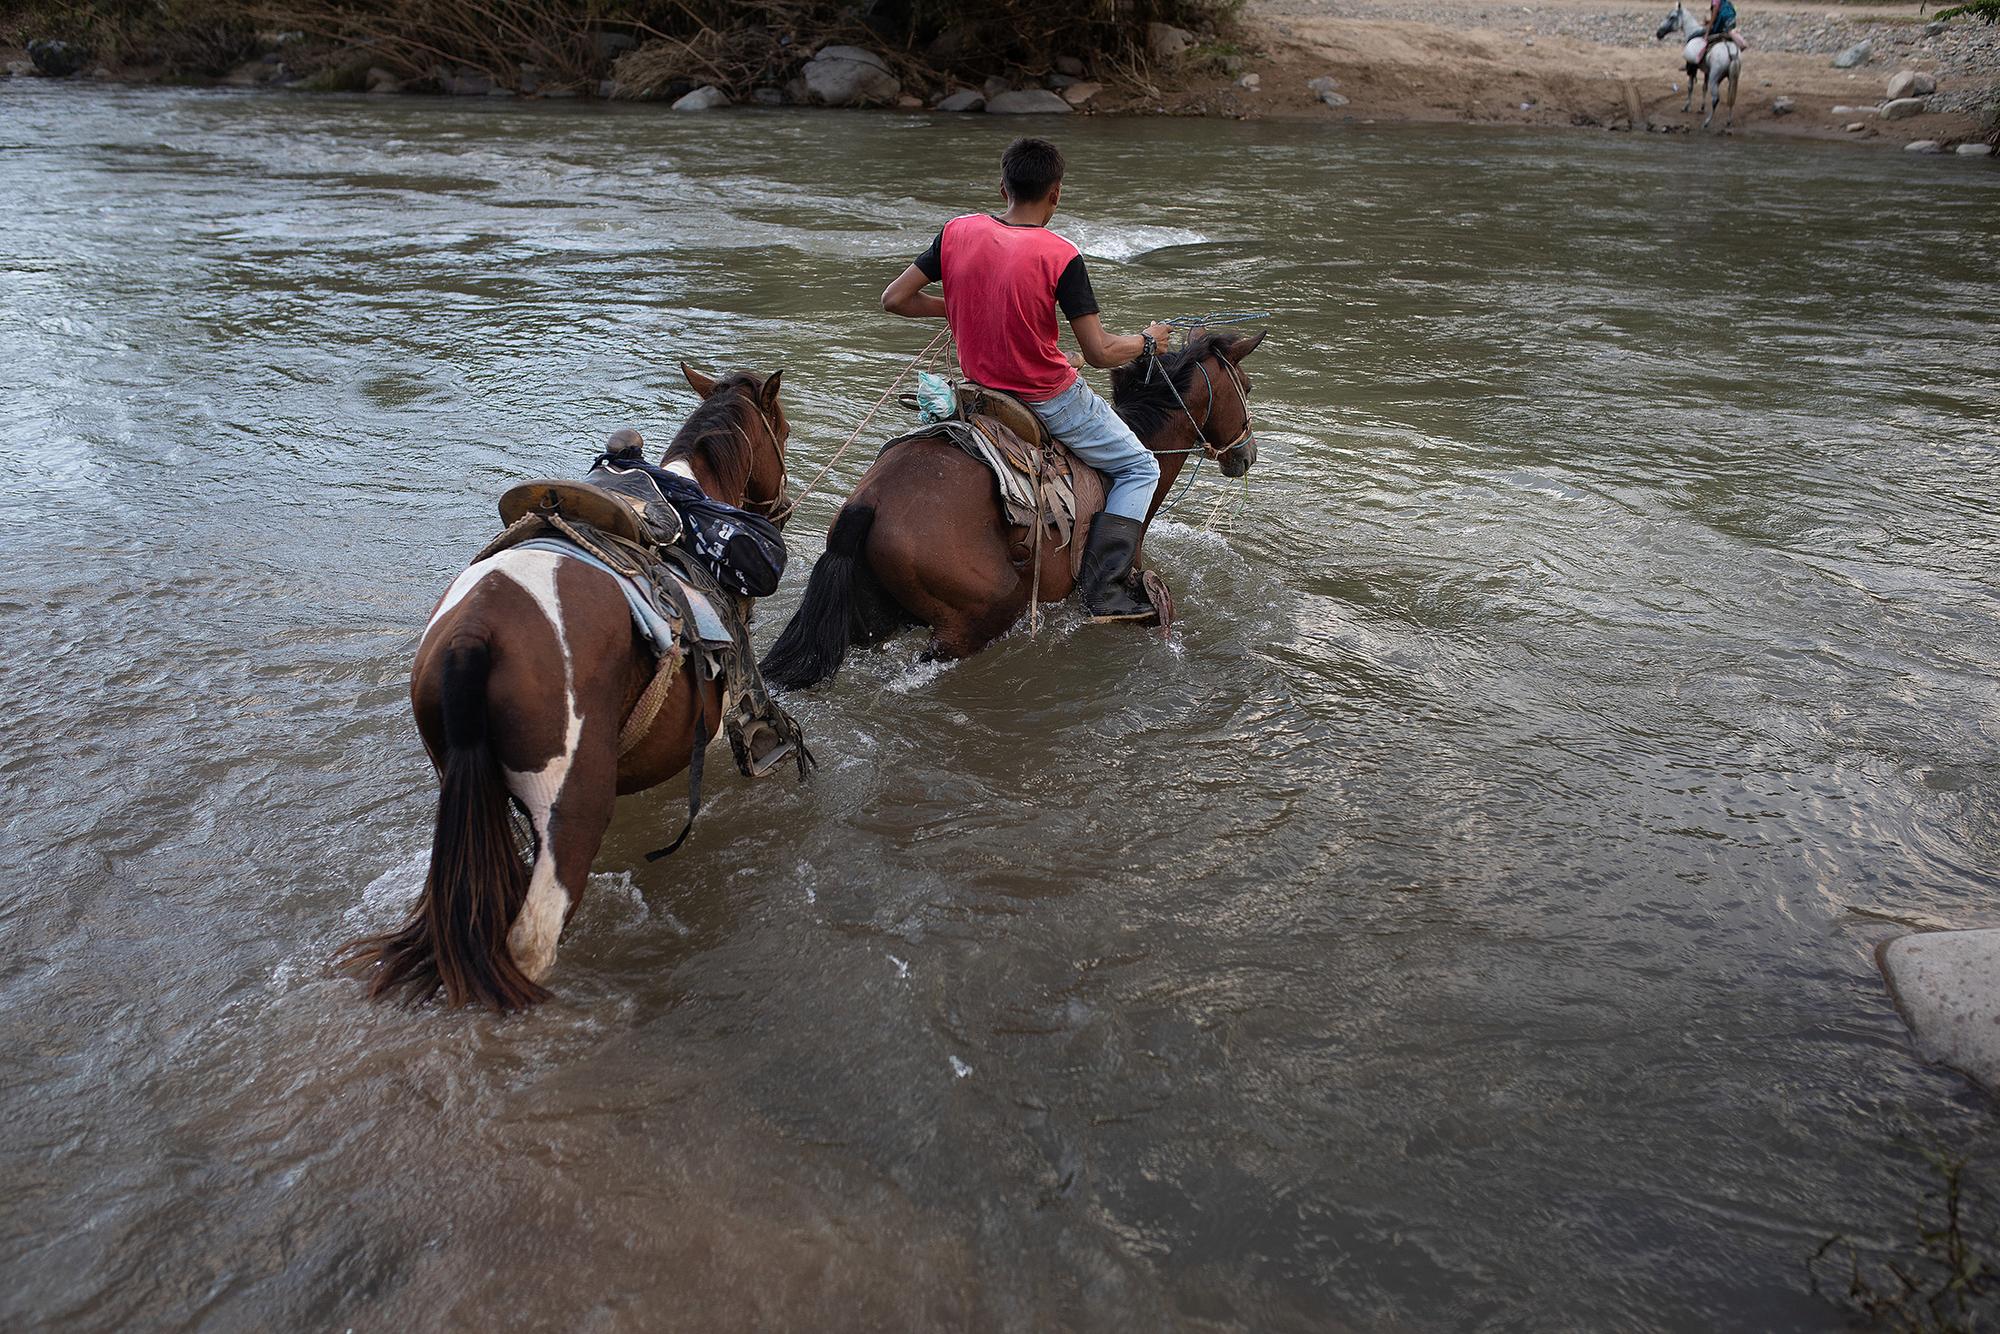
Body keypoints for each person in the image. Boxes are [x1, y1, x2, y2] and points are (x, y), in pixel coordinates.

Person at [879, 137, 1174, 623]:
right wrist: (1147, 341)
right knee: (1140, 467)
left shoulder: (956, 231)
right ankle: (1105, 592)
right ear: (1055, 194)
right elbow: (1100, 353)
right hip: (1048, 399)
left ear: (1002, 187)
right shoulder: (1061, 255)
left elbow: (895, 299)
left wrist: (963, 307)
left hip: (979, 394)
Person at [1693, 0, 1747, 66]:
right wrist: (1708, 21)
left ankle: (1693, 65)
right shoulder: (1725, 1)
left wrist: (1707, 32)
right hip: (1730, 24)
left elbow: (1714, 15)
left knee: (1697, 35)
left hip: (1721, 26)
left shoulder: (1715, 1)